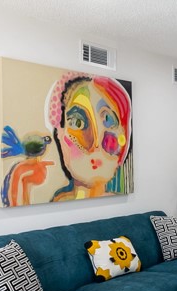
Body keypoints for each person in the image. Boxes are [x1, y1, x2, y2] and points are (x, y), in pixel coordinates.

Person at [45, 72, 132, 201]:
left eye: (107, 119)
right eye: (77, 122)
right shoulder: (57, 201)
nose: (95, 144)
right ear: (60, 134)